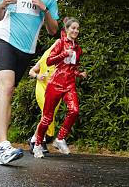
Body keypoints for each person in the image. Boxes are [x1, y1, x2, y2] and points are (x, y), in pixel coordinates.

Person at [0, 0, 59, 165]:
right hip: (6, 41)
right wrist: (2, 5)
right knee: (6, 87)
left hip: (27, 50)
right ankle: (3, 146)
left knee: (6, 92)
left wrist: (44, 10)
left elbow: (53, 30)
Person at [31, 18, 87, 158]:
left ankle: (60, 138)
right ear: (67, 29)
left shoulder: (78, 49)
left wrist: (79, 73)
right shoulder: (60, 42)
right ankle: (37, 144)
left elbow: (71, 68)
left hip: (69, 84)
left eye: (77, 29)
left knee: (74, 110)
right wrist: (63, 54)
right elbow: (50, 61)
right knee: (47, 118)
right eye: (72, 28)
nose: (75, 31)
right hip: (55, 83)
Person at [27, 30, 64, 154]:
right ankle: (35, 141)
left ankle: (40, 139)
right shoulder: (45, 57)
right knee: (46, 114)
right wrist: (38, 76)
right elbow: (31, 71)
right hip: (42, 88)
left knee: (50, 117)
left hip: (55, 90)